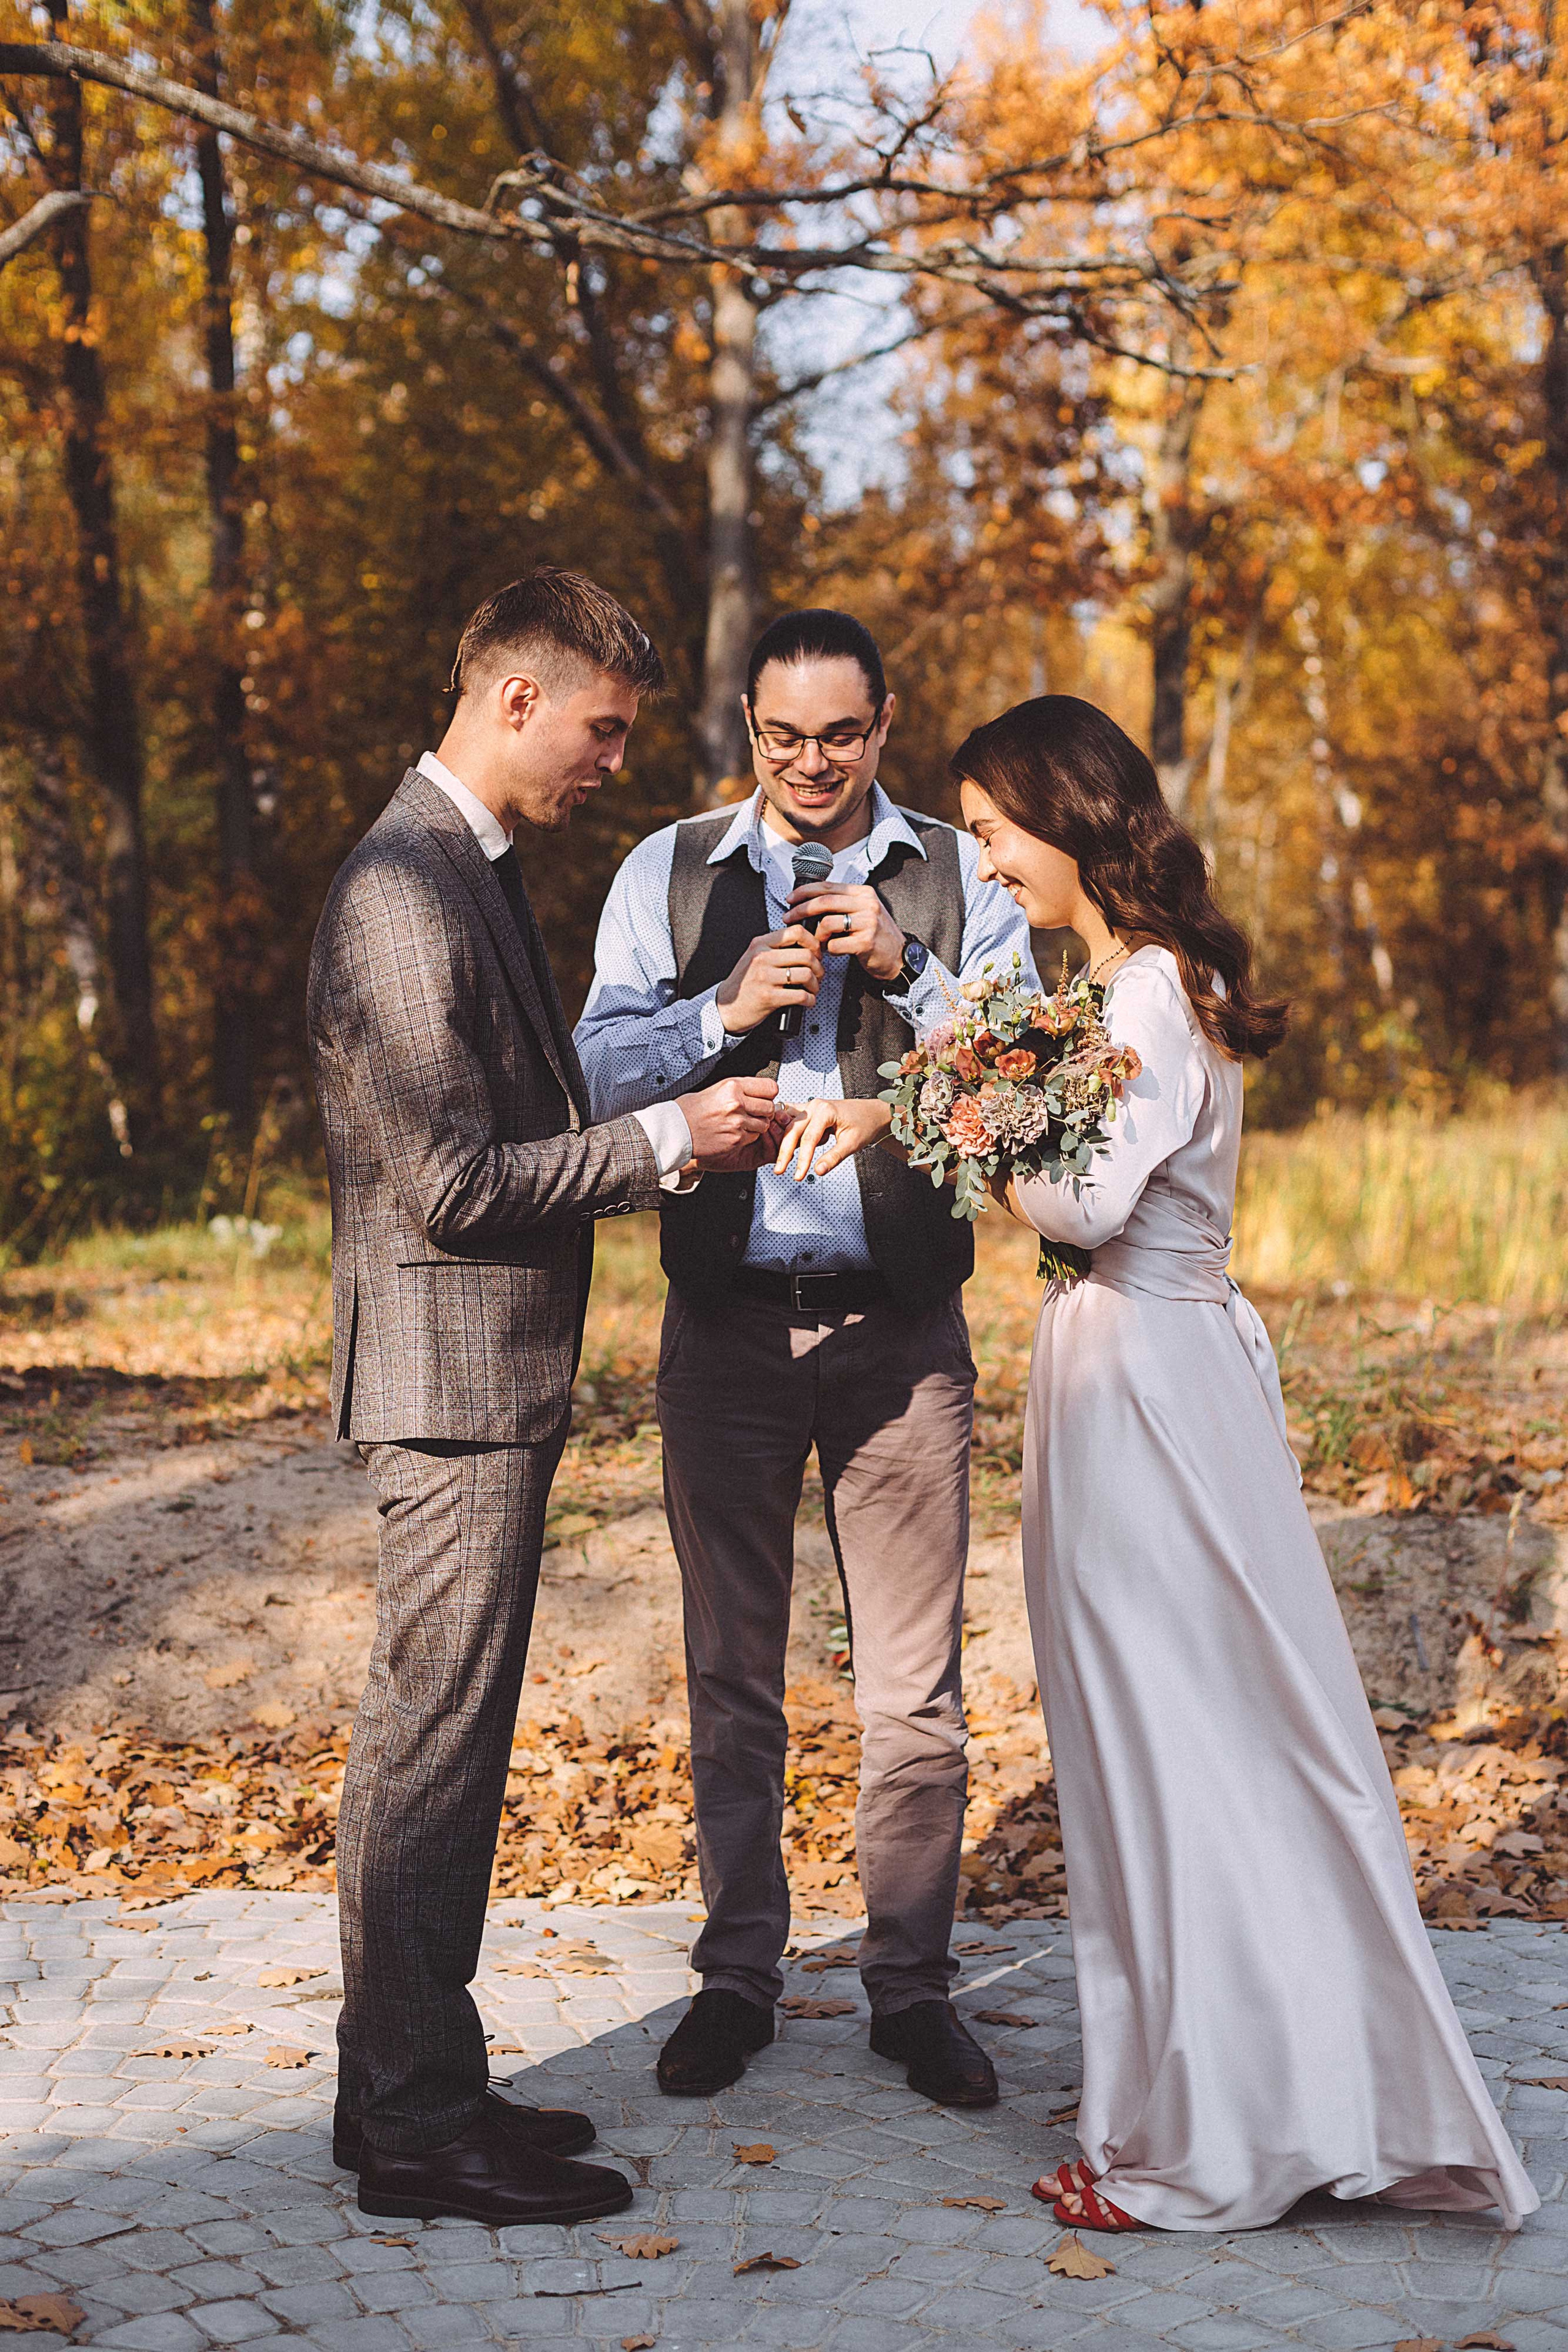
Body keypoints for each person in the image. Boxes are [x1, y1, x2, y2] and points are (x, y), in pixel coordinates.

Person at [773, 693, 1539, 2234]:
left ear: (1065, 818)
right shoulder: (1119, 981)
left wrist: (956, 1122)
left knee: (1173, 1740)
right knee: (1169, 1739)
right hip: (1123, 1368)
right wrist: (923, 1096)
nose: (982, 870)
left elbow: (1080, 1200)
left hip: (1147, 1382)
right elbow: (1046, 1144)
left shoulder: (1140, 1000)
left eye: (991, 836)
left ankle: (1202, 2143)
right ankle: (1232, 2088)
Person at [306, 570, 785, 2225]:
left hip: (485, 1382)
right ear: (518, 700)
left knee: (439, 1747)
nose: (612, 762)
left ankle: (415, 2097)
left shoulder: (472, 869)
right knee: (429, 1755)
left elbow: (515, 1111)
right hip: (448, 1386)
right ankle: (415, 2129)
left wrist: (684, 1092)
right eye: (604, 729)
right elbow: (447, 1184)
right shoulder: (401, 887)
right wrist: (669, 1146)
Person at [574, 609, 1036, 2107]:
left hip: (903, 1332)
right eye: (783, 738)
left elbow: (1039, 1076)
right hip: (722, 1327)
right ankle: (737, 1980)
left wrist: (910, 967)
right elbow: (580, 1070)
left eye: (840, 735)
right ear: (747, 731)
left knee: (912, 1694)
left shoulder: (958, 877)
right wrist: (722, 1010)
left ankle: (910, 1991)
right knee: (730, 1676)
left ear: (883, 725)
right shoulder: (670, 870)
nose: (812, 764)